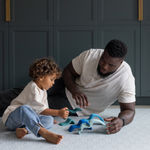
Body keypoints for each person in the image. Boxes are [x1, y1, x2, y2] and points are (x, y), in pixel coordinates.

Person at [0, 39, 135, 135]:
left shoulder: (126, 79)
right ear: (103, 53)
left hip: (72, 105)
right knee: (24, 93)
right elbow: (68, 71)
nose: (104, 66)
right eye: (103, 60)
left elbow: (129, 110)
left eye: (111, 65)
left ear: (121, 63)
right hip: (63, 84)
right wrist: (75, 90)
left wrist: (122, 121)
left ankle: (21, 126)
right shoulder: (91, 55)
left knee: (33, 109)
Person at [1, 57, 69, 144]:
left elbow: (43, 109)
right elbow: (42, 110)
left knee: (49, 120)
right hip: (12, 118)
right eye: (51, 79)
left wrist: (50, 117)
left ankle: (24, 130)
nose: (53, 82)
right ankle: (43, 132)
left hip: (26, 121)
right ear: (41, 76)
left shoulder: (44, 91)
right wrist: (58, 113)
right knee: (24, 108)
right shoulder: (32, 87)